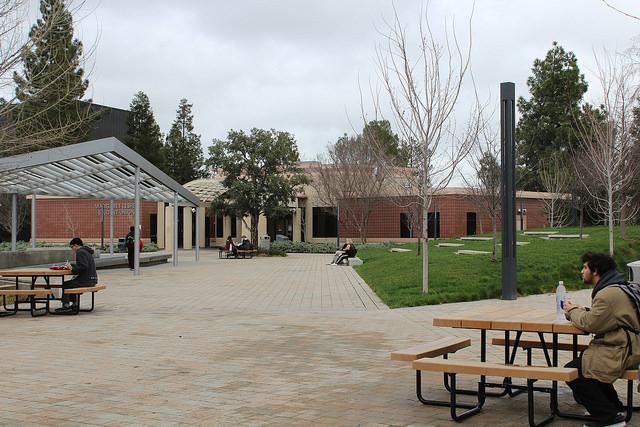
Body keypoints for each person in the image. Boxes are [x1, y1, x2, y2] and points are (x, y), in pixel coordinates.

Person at [563, 252, 640, 427]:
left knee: (575, 372)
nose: (582, 271)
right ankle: (613, 407)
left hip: (621, 349)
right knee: (584, 365)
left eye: (585, 267)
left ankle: (609, 418)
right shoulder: (617, 287)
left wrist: (572, 311)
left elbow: (590, 324)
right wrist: (584, 309)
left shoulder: (607, 294)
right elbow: (608, 316)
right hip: (627, 345)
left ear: (595, 270)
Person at [55, 237, 98, 313]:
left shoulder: (80, 252)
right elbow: (83, 265)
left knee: (66, 284)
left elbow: (83, 266)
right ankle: (74, 304)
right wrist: (72, 266)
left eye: (72, 247)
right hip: (92, 279)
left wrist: (72, 269)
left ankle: (66, 306)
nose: (72, 249)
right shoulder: (86, 251)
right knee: (71, 283)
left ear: (76, 245)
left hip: (86, 280)